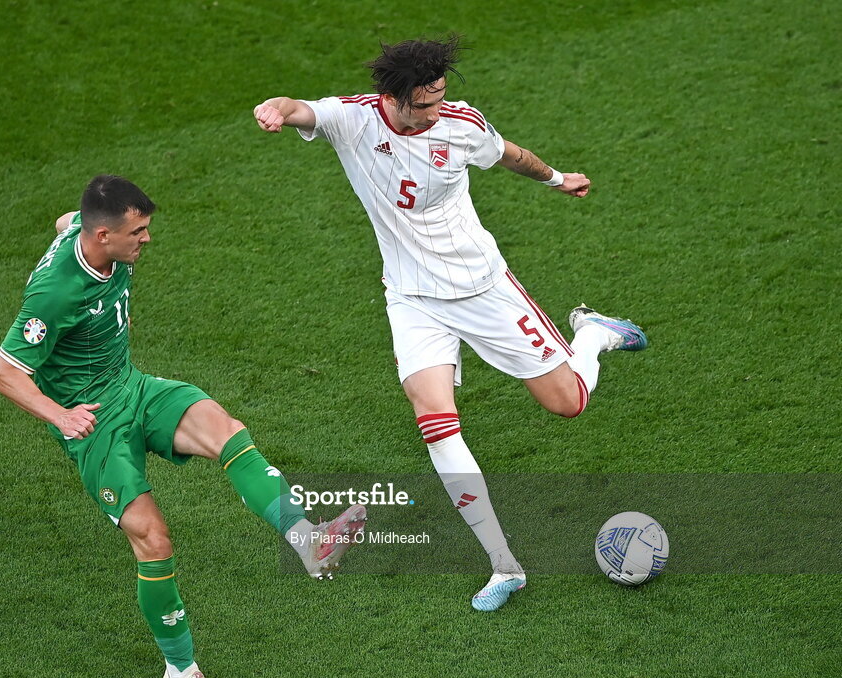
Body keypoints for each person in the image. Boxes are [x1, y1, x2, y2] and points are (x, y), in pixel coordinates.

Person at [253, 37, 647, 612]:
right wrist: (275, 108)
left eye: (442, 98)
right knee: (435, 421)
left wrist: (557, 178)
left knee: (568, 403)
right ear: (393, 98)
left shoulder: (461, 124)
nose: (438, 111)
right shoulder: (354, 121)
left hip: (484, 289)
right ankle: (504, 565)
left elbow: (509, 154)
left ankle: (593, 333)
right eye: (425, 104)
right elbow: (297, 108)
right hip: (412, 298)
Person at [0, 175, 366, 678]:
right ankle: (180, 672)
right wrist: (60, 415)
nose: (146, 241)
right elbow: (4, 372)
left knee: (226, 430)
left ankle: (307, 539)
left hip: (134, 387)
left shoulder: (84, 233)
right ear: (102, 237)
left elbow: (65, 223)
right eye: (137, 233)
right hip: (96, 423)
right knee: (154, 540)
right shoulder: (55, 293)